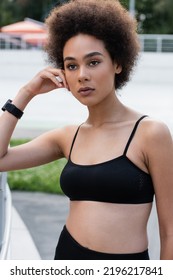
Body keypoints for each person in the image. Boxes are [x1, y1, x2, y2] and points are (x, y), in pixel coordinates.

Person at [0, 0, 173, 260]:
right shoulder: (67, 137)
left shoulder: (151, 133)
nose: (81, 75)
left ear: (117, 63)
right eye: (71, 66)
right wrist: (26, 93)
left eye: (93, 62)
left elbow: (170, 230)